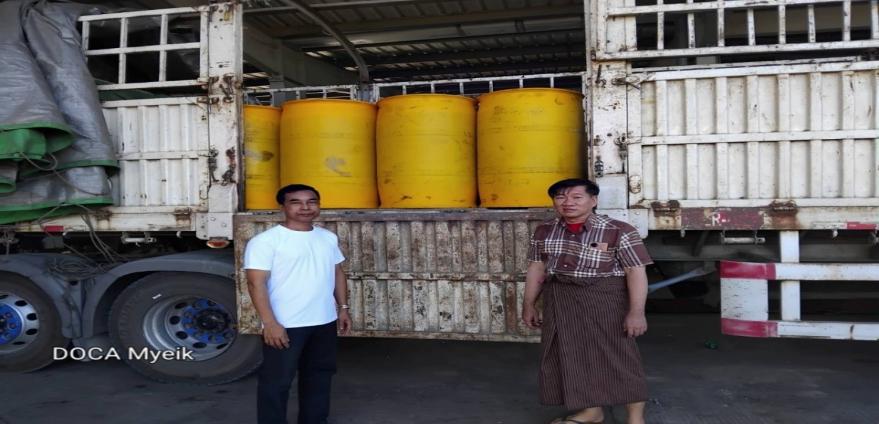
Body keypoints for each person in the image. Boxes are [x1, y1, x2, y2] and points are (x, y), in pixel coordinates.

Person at [522, 178, 652, 424]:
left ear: (593, 200)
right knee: (572, 355)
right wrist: (529, 304)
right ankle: (591, 412)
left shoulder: (619, 230)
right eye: (560, 197)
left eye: (576, 197)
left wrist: (636, 312)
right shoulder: (545, 230)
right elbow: (537, 267)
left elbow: (636, 271)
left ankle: (635, 419)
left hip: (604, 299)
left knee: (620, 356)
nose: (567, 202)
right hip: (560, 298)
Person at [244, 183, 352, 424]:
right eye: (296, 202)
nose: (305, 207)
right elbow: (255, 284)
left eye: (311, 202)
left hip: (324, 321)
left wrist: (343, 308)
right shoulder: (266, 241)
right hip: (285, 324)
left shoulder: (327, 237)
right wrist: (270, 323)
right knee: (277, 382)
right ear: (282, 207)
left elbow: (337, 272)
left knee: (320, 376)